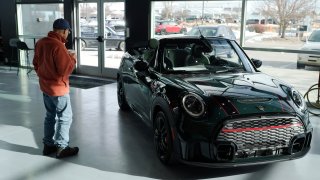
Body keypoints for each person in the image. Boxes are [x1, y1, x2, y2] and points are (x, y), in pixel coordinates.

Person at [33, 18, 79, 158]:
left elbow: (36, 64)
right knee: (65, 118)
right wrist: (73, 58)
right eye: (68, 32)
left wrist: (45, 76)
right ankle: (61, 147)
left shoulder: (41, 42)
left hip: (45, 88)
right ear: (64, 31)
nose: (68, 35)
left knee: (50, 116)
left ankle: (48, 145)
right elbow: (64, 70)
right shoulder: (58, 46)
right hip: (58, 89)